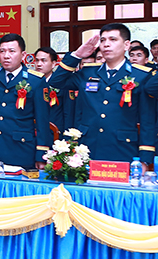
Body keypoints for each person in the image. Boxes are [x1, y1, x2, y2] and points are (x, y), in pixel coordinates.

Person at [0, 33, 86, 168]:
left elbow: (42, 121)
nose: (6, 56)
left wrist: (41, 154)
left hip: (19, 149)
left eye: (12, 51)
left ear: (23, 55)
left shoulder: (35, 81)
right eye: (2, 51)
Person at [63, 24, 156, 166]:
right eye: (102, 40)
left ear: (126, 45)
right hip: (88, 148)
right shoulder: (88, 72)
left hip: (123, 149)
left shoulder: (141, 76)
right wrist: (77, 56)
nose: (106, 44)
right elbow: (57, 81)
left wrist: (145, 159)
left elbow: (147, 120)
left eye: (113, 39)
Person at [34, 46, 68, 133]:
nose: (39, 64)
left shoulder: (62, 83)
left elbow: (68, 112)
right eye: (37, 60)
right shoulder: (30, 83)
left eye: (43, 60)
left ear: (53, 64)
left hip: (55, 132)